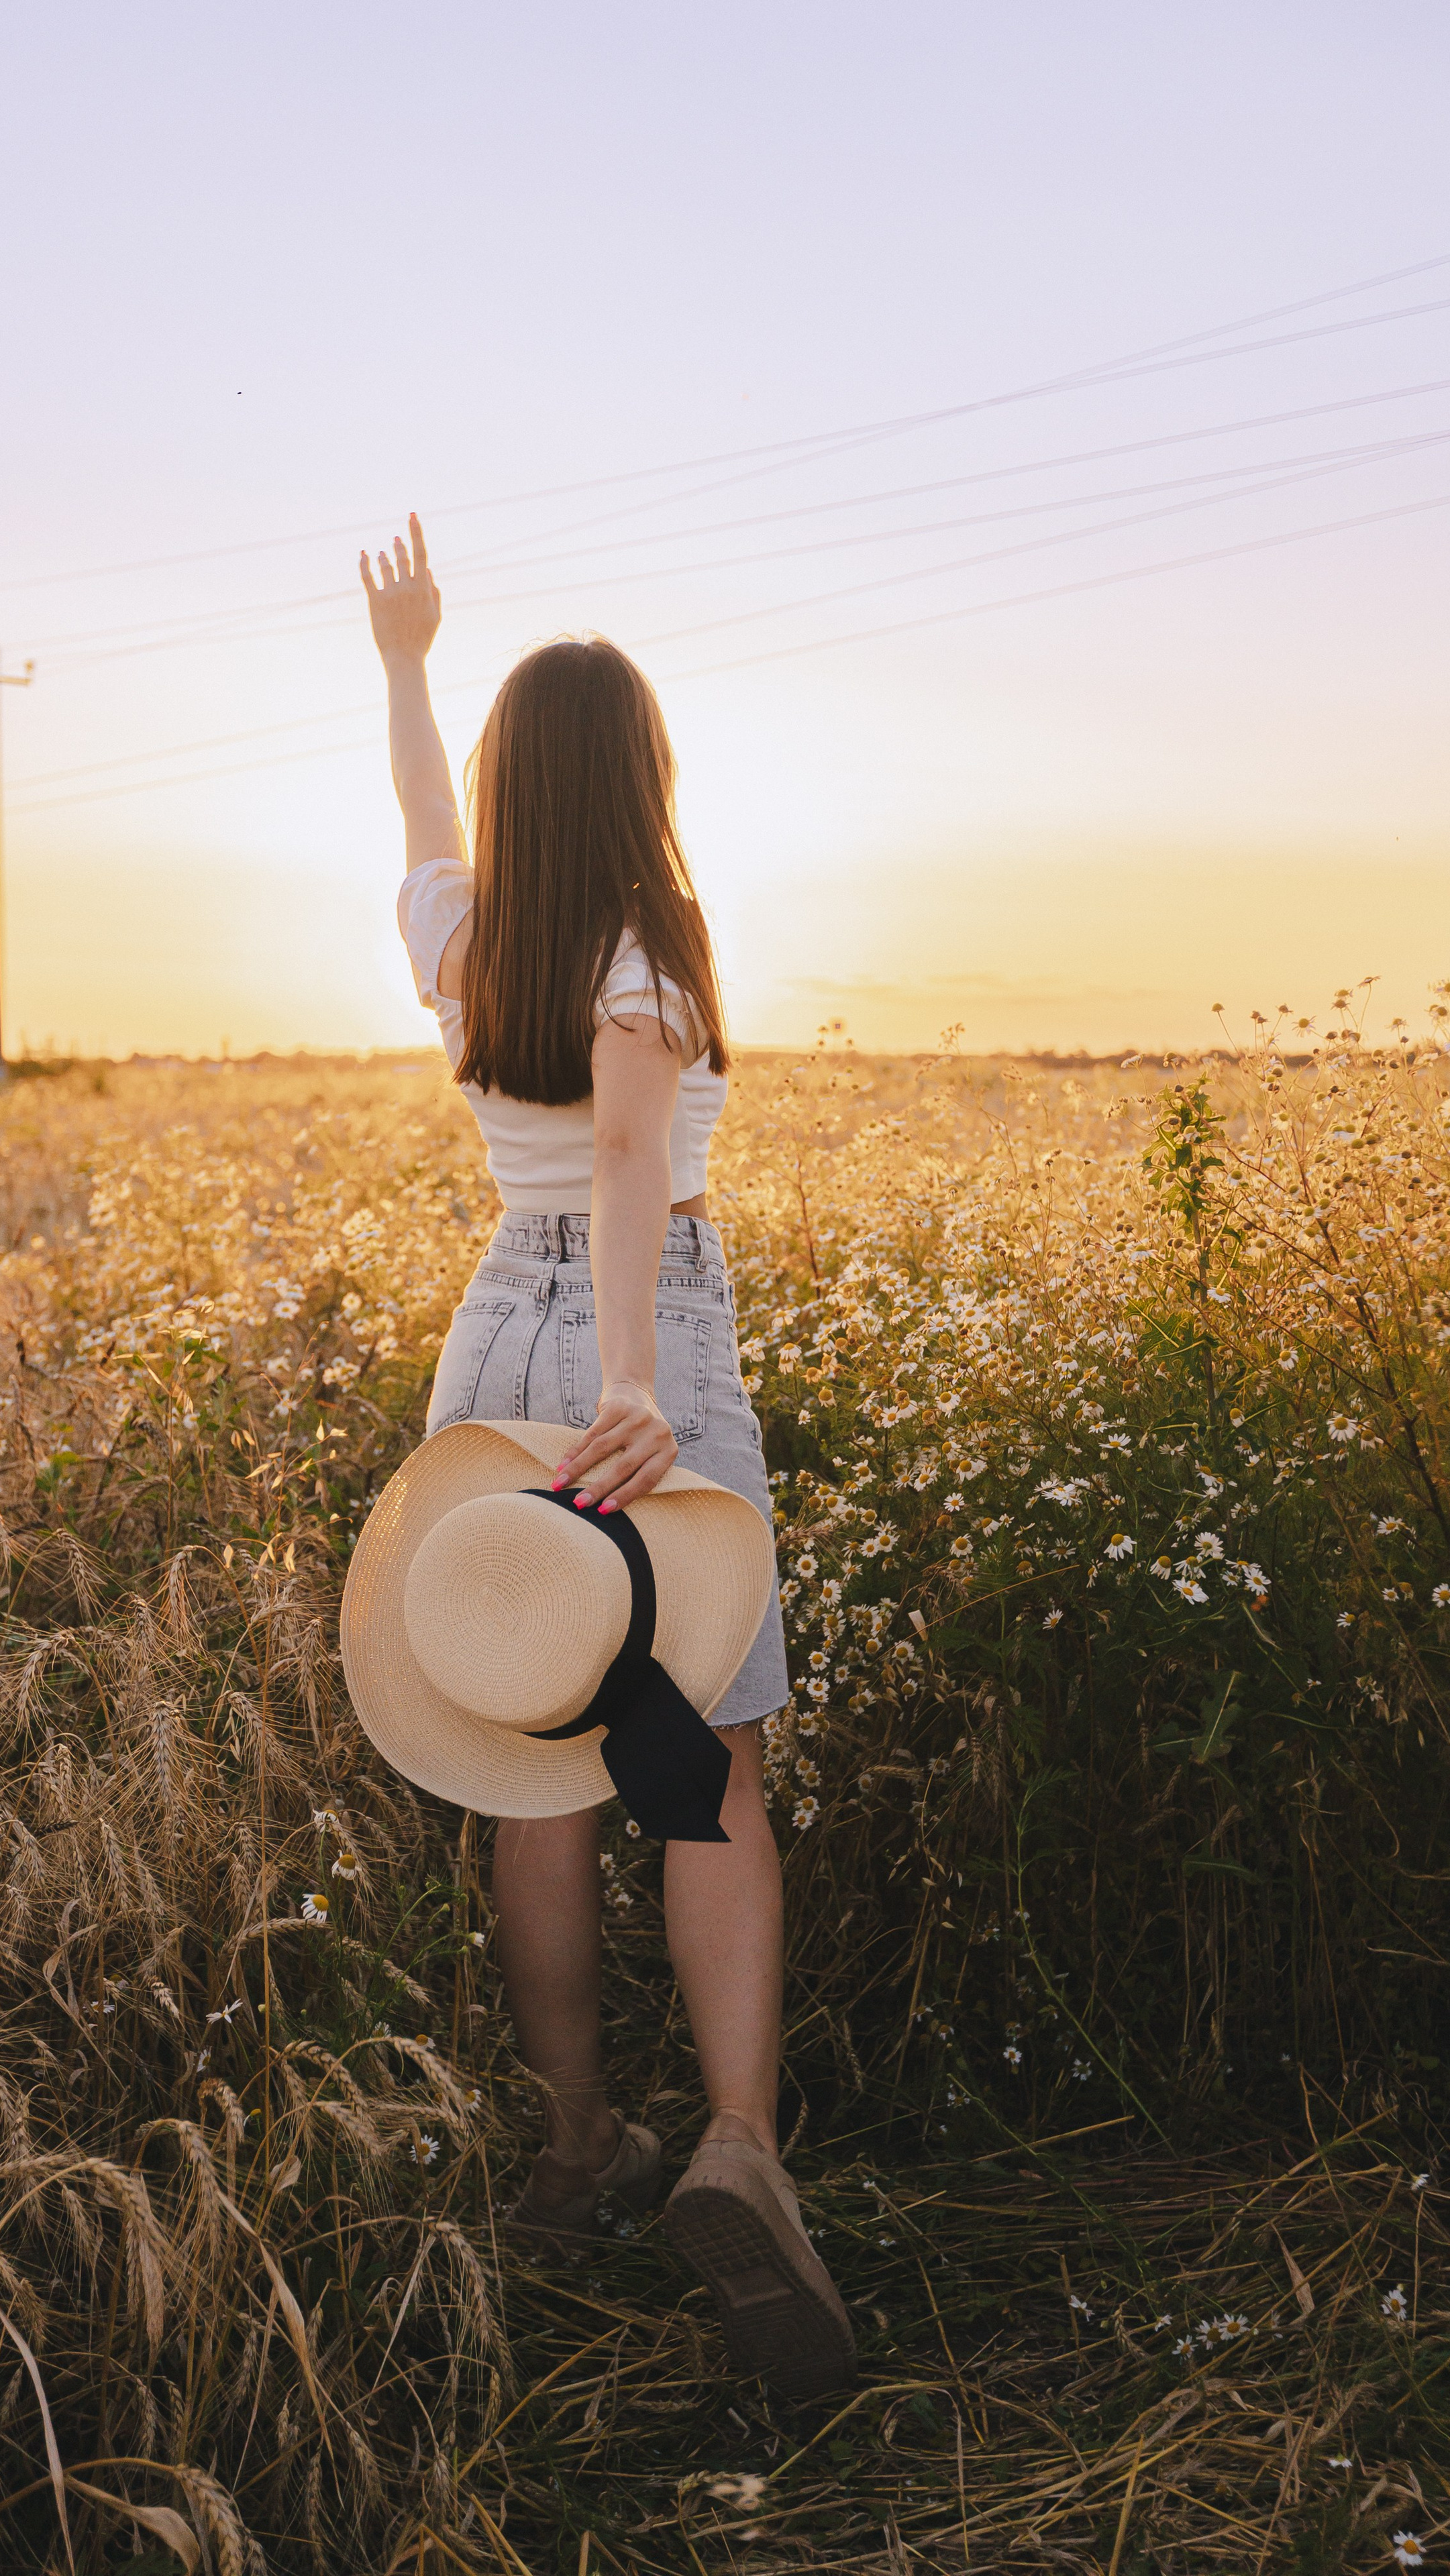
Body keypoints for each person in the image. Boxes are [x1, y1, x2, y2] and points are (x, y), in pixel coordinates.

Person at [360, 521, 853, 2399]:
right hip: (649, 1336)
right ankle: (739, 2143)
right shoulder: (650, 949)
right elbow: (640, 1162)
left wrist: (407, 662)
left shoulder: (470, 942)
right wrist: (643, 1382)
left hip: (495, 1336)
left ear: (510, 788)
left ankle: (580, 2150)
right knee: (709, 1761)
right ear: (645, 779)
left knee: (532, 1759)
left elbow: (418, 817)